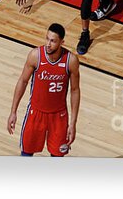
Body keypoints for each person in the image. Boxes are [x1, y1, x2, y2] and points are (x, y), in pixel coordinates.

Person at [7, 23, 80, 157]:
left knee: (57, 157)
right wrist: (13, 112)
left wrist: (73, 123)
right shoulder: (35, 56)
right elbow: (23, 81)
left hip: (59, 116)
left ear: (61, 42)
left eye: (53, 41)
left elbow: (75, 91)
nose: (48, 43)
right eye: (47, 39)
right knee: (26, 155)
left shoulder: (71, 61)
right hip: (35, 113)